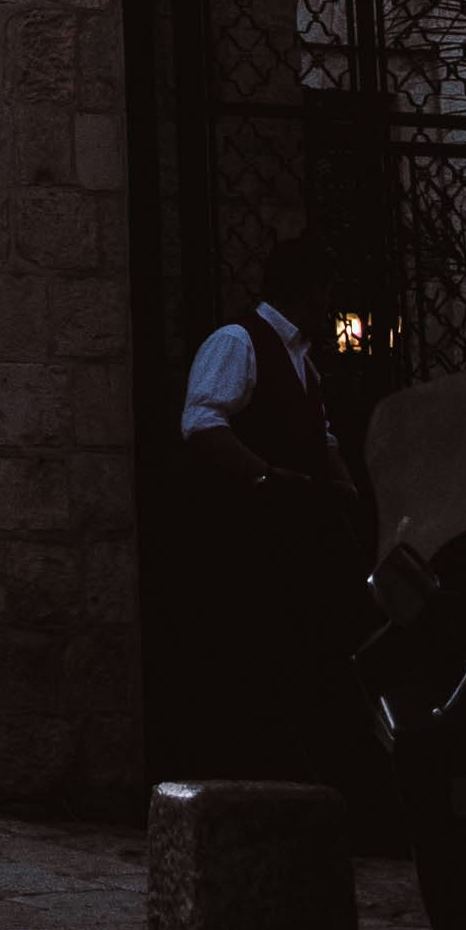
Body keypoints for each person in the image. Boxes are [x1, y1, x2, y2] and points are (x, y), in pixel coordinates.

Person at [176, 291, 371, 787]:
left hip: (298, 537)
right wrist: (264, 477)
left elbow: (321, 435)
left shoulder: (304, 361)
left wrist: (342, 486)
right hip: (252, 536)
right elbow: (202, 423)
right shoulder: (237, 343)